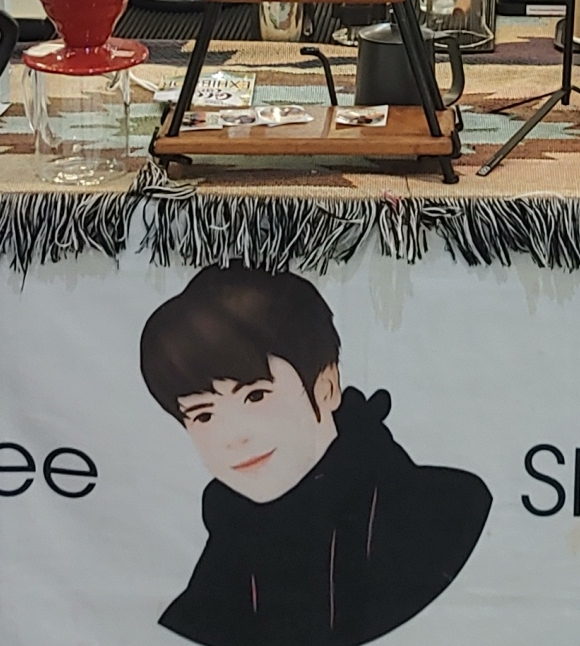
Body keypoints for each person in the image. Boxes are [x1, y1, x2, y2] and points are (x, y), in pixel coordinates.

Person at [140, 266, 490, 646]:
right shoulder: (228, 546)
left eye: (255, 396)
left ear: (326, 387)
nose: (234, 437)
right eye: (204, 415)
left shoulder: (447, 510)